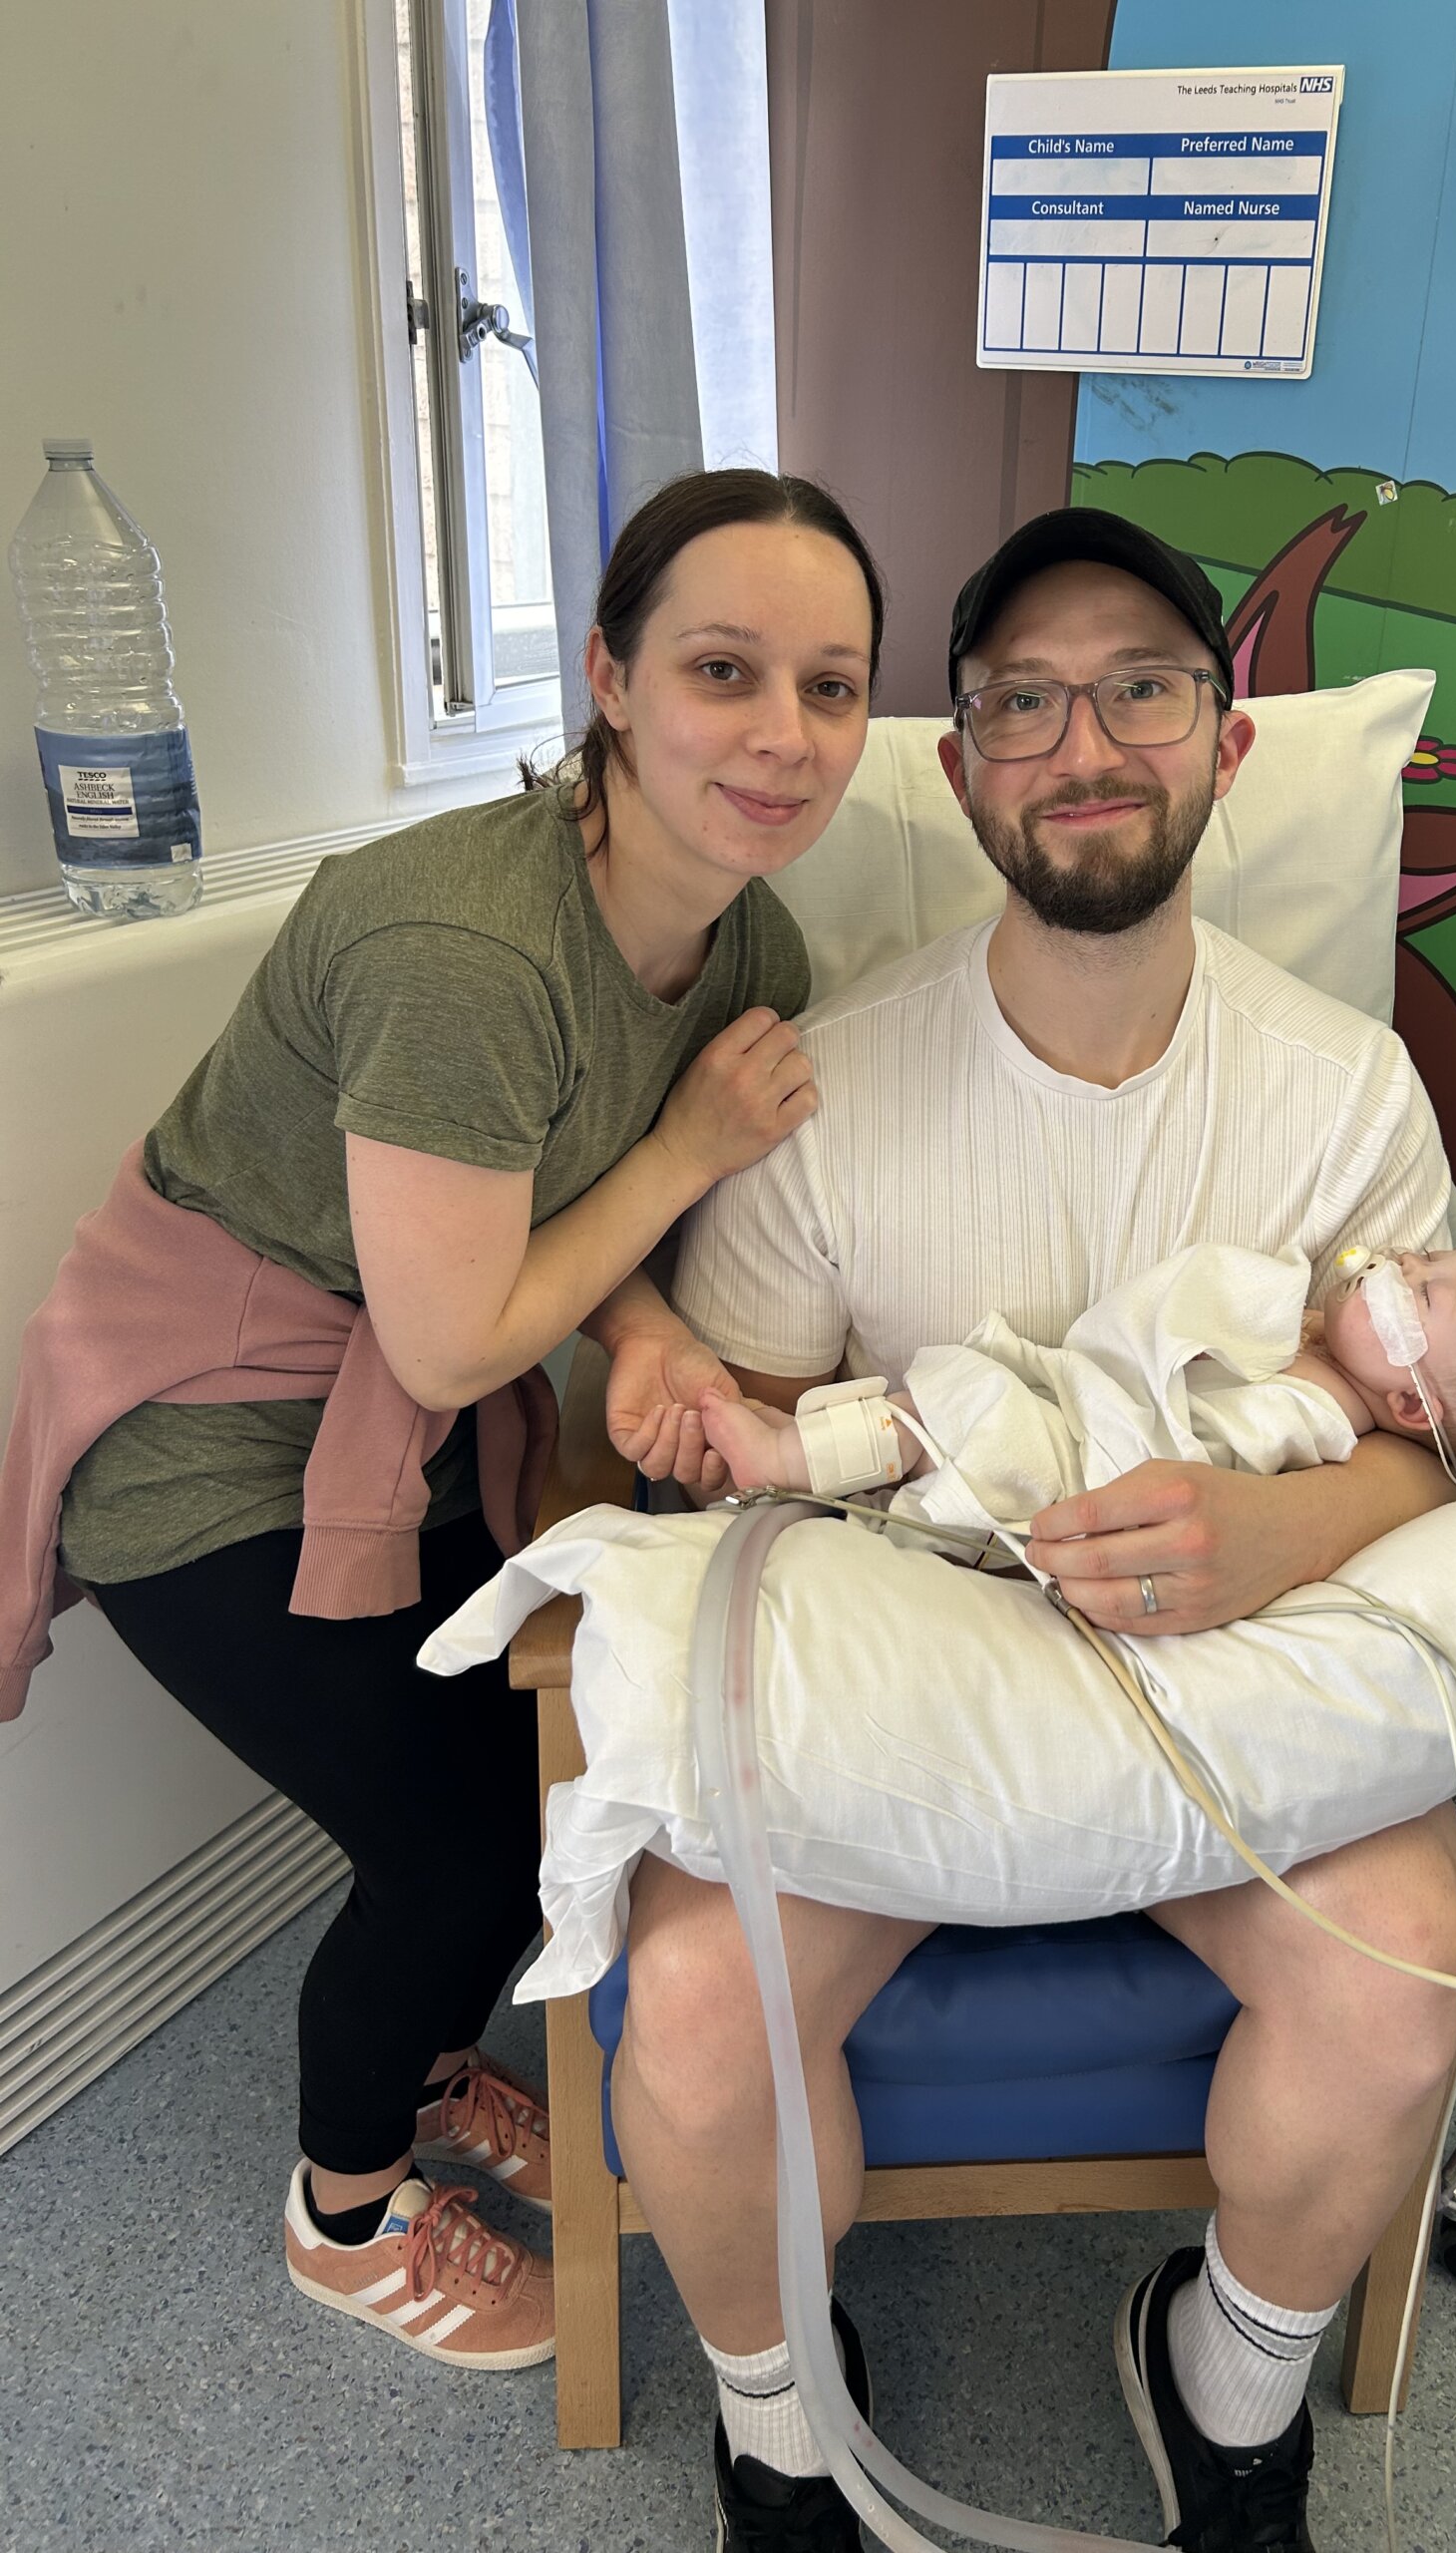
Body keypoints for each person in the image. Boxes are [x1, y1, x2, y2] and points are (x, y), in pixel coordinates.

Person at [592, 506, 1456, 2553]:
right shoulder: (828, 1085)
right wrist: (670, 1401)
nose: (1087, 744)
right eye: (1024, 702)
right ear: (962, 762)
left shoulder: (1345, 1090)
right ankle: (784, 2429)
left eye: (1145, 689)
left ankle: (1230, 2378)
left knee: (1402, 1967)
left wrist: (1280, 1529)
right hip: (922, 1682)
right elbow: (732, 1446)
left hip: (1233, 1685)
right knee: (706, 2009)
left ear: (1229, 741)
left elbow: (1444, 1448)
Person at [0, 468, 886, 2372]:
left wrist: (646, 1329)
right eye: (723, 669)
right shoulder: (463, 949)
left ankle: (419, 2075)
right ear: (609, 682)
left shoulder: (751, 954)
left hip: (402, 1396)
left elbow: (540, 1215)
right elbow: (468, 1309)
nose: (783, 735)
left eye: (832, 686)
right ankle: (342, 2208)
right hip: (208, 1427)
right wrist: (684, 1161)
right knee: (466, 1846)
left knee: (538, 1780)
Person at [688, 1239, 1456, 1524]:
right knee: (965, 1389)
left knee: (970, 1408)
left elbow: (1199, 1453)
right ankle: (805, 1439)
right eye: (1429, 1252)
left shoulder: (1313, 1418)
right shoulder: (1322, 1348)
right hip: (1080, 1404)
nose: (1401, 1257)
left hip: (1096, 1466)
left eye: (1425, 1288)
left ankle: (784, 1455)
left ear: (1409, 1405)